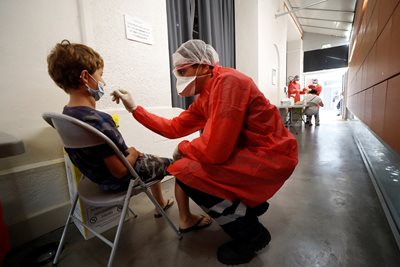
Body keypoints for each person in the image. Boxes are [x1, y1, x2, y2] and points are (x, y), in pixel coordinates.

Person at [111, 39, 298, 265]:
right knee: (189, 165)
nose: (179, 78)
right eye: (177, 72)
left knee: (186, 172)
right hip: (253, 153)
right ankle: (249, 205)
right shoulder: (207, 94)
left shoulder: (230, 82)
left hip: (270, 155)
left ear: (202, 65)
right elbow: (174, 127)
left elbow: (216, 150)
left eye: (183, 70)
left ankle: (251, 235)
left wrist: (184, 148)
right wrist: (135, 109)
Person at [47, 40, 211, 230]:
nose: (103, 82)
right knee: (177, 166)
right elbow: (120, 170)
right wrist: (132, 153)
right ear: (85, 77)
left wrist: (134, 111)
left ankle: (162, 203)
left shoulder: (66, 116)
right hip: (118, 179)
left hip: (95, 178)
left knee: (150, 160)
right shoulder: (100, 121)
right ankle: (186, 218)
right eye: (100, 75)